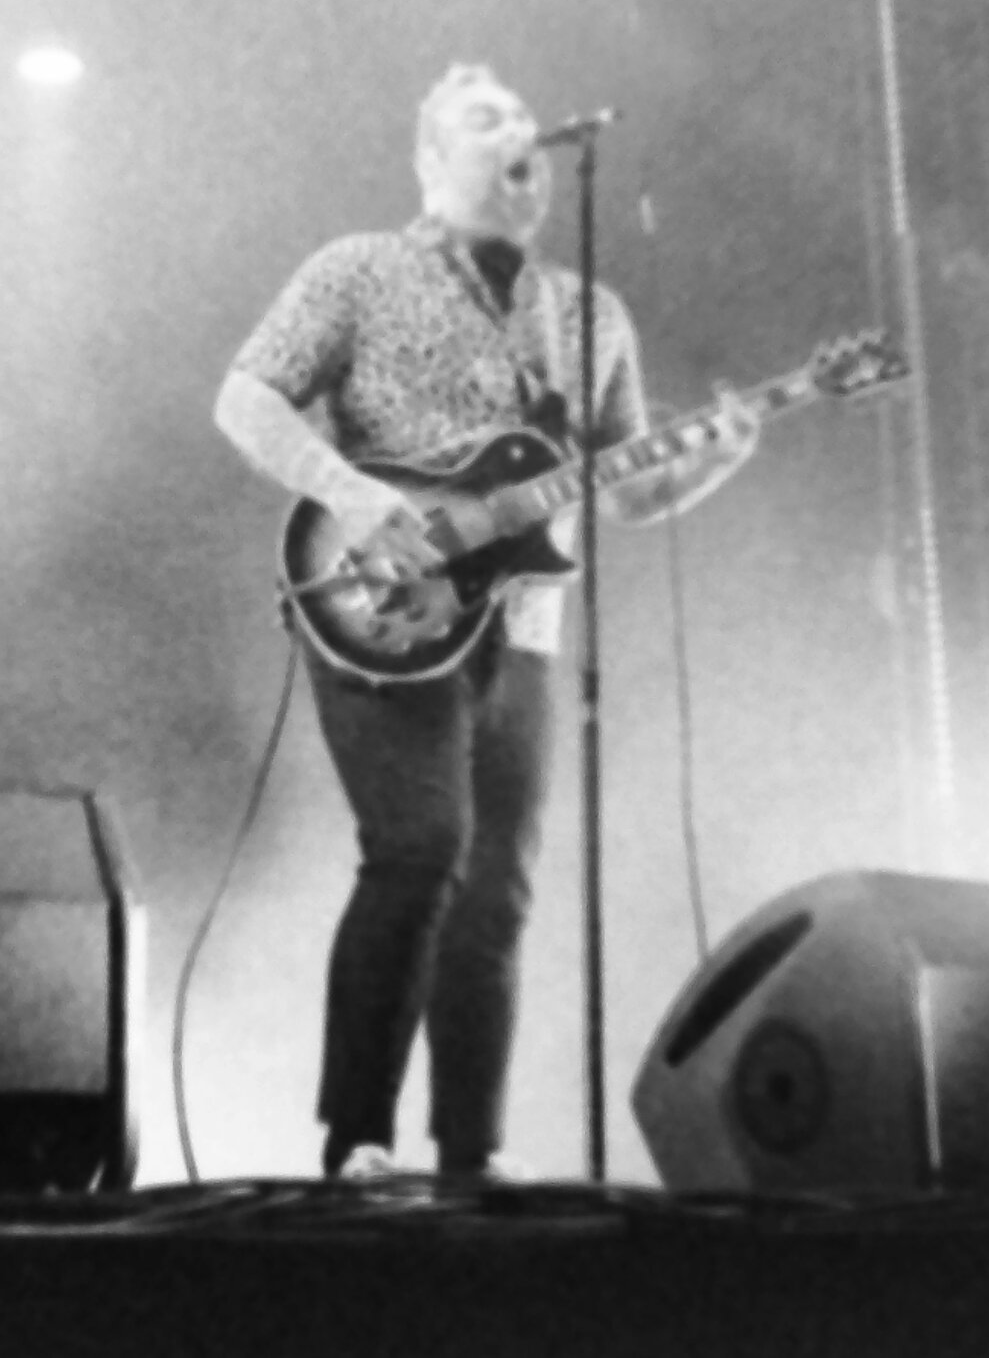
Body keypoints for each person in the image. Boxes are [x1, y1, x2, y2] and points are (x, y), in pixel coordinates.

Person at [214, 62, 758, 1181]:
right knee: (420, 850)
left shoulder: (589, 312)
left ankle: (469, 1155)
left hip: (524, 630)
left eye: (521, 116)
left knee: (498, 891)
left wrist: (717, 458)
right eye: (485, 117)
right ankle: (353, 1138)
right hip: (383, 604)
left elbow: (624, 491)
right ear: (427, 160)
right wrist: (359, 497)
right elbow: (245, 397)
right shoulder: (356, 270)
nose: (518, 129)